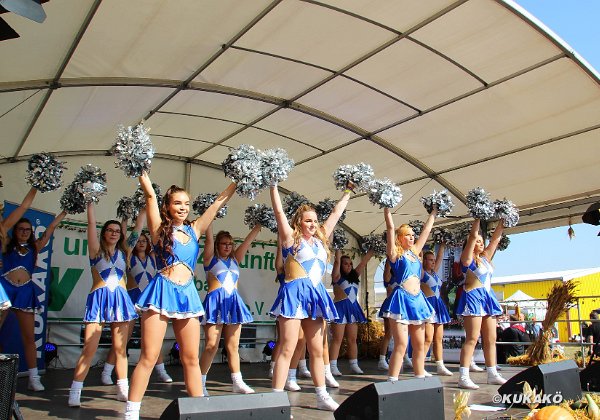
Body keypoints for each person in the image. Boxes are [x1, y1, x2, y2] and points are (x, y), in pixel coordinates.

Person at [124, 174, 236, 420]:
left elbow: (218, 203)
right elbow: (150, 196)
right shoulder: (158, 229)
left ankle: (199, 412)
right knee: (149, 357)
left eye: (186, 203)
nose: (183, 208)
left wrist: (238, 181)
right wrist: (142, 171)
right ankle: (131, 412)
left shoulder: (195, 229)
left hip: (187, 295)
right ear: (167, 206)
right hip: (162, 291)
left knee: (191, 359)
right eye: (177, 203)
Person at [268, 183, 352, 411]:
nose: (313, 224)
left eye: (315, 220)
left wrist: (347, 192)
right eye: (308, 221)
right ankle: (275, 402)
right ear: (299, 222)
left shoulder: (321, 239)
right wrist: (273, 187)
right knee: (287, 347)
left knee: (316, 349)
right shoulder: (290, 238)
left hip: (315, 296)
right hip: (294, 294)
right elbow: (278, 212)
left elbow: (336, 213)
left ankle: (322, 396)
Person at [68, 204, 137, 407]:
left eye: (117, 231)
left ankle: (123, 389)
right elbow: (91, 223)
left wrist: (142, 207)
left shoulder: (125, 252)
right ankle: (75, 391)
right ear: (104, 233)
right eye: (109, 230)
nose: (114, 233)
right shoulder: (95, 251)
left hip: (121, 301)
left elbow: (138, 228)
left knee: (120, 348)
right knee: (89, 348)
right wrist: (90, 202)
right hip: (98, 299)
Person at [0, 187, 65, 391]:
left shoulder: (34, 248)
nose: (24, 232)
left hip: (25, 292)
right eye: (21, 229)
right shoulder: (6, 243)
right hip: (5, 289)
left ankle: (34, 377)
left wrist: (65, 211)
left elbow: (51, 227)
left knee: (29, 337)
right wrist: (35, 187)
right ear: (15, 230)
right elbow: (24, 207)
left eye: (28, 230)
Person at [101, 210, 172, 385]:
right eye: (138, 241)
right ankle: (107, 371)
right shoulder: (128, 255)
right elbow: (128, 236)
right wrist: (128, 217)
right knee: (122, 339)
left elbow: (158, 238)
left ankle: (161, 371)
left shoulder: (153, 257)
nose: (140, 242)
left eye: (143, 241)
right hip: (132, 299)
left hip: (149, 300)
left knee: (153, 339)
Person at [199, 223, 261, 395]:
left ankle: (237, 382)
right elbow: (209, 239)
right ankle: (200, 383)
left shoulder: (235, 259)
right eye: (224, 243)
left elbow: (247, 242)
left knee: (233, 347)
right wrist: (210, 220)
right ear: (217, 245)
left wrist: (258, 226)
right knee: (211, 345)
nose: (227, 246)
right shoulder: (210, 259)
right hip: (215, 303)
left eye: (230, 244)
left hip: (233, 303)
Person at [379, 207, 437, 381]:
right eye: (407, 235)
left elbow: (426, 231)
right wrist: (387, 209)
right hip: (401, 300)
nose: (412, 238)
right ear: (400, 238)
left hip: (418, 301)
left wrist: (434, 212)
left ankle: (420, 378)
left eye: (413, 235)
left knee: (419, 344)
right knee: (401, 344)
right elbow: (390, 228)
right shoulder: (395, 254)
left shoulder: (416, 252)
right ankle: (392, 381)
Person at [456, 219, 506, 389]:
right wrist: (477, 218)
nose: (481, 243)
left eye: (481, 241)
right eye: (477, 241)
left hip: (487, 298)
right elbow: (472, 236)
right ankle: (463, 376)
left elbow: (495, 240)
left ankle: (492, 373)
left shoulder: (485, 258)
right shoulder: (467, 259)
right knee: (472, 338)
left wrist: (502, 222)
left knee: (491, 338)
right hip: (473, 297)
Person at [329, 249, 374, 376]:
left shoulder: (355, 276)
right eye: (345, 264)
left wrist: (372, 249)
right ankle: (332, 366)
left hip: (353, 309)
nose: (348, 266)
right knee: (337, 339)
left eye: (350, 264)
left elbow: (364, 262)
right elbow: (337, 263)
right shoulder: (337, 277)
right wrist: (338, 254)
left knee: (352, 339)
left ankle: (354, 364)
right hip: (340, 309)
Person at [421, 242, 453, 376]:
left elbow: (439, 258)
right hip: (428, 305)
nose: (433, 262)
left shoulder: (434, 273)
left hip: (438, 306)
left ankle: (440, 365)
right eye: (430, 260)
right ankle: (420, 366)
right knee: (428, 338)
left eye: (434, 260)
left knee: (438, 339)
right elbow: (418, 257)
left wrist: (443, 245)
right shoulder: (422, 273)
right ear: (424, 261)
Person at [377, 260, 393, 371]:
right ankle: (382, 360)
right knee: (389, 333)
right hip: (390, 306)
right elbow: (387, 272)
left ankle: (406, 357)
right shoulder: (389, 277)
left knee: (404, 333)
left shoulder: (402, 276)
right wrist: (389, 258)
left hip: (401, 306)